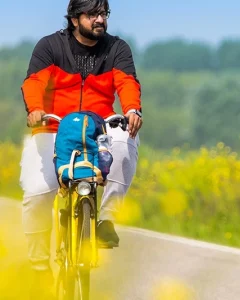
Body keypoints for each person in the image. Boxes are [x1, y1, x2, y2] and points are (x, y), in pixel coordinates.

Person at [20, 0, 142, 294]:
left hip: (100, 127)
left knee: (126, 141)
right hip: (55, 127)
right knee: (37, 192)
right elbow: (34, 82)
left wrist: (132, 109)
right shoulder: (50, 47)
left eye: (104, 14)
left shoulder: (117, 49)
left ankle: (106, 221)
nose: (101, 19)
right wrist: (35, 109)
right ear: (75, 19)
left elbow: (127, 83)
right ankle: (38, 264)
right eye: (94, 14)